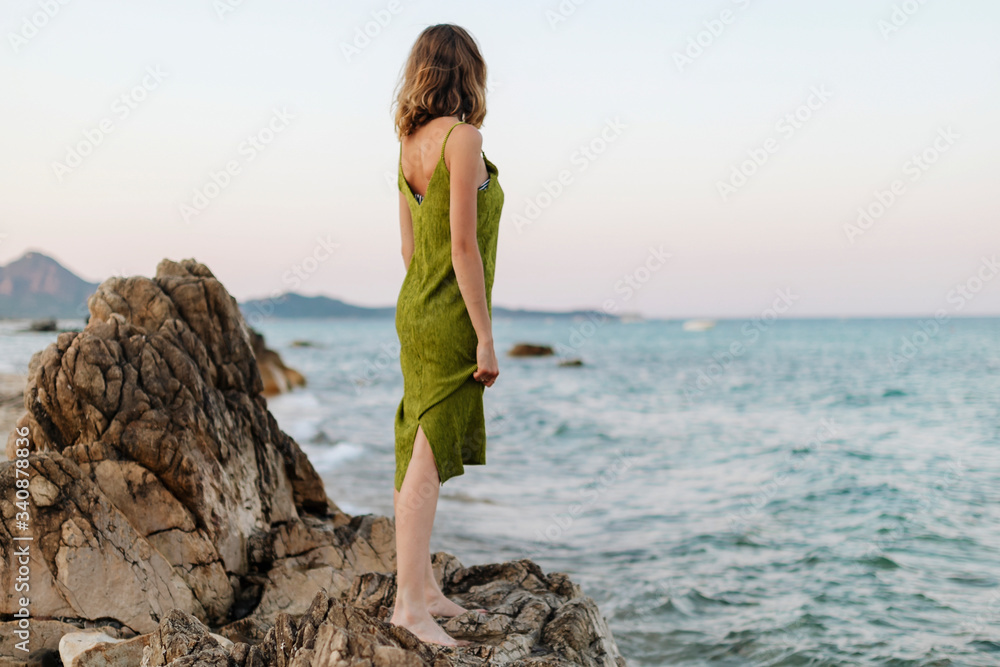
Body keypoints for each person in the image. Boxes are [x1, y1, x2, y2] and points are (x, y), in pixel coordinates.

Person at [389, 24, 504, 647]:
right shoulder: (464, 140)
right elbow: (463, 246)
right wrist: (482, 335)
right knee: (427, 463)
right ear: (467, 73)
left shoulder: (408, 144)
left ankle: (424, 587)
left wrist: (422, 313)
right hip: (450, 315)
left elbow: (411, 249)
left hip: (416, 306)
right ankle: (409, 608)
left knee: (416, 448)